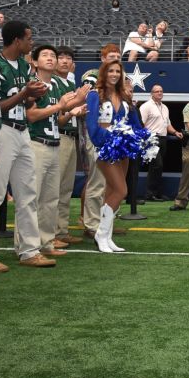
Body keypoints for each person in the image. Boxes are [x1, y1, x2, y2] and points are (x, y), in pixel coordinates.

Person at [0, 20, 53, 273]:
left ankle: (29, 250)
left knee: (28, 193)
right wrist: (24, 94)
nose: (31, 43)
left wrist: (34, 94)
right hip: (2, 131)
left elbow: (26, 97)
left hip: (22, 132)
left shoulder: (22, 65)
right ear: (17, 40)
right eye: (28, 39)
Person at [26, 45, 89, 259]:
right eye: (47, 55)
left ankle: (46, 241)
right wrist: (62, 106)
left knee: (51, 197)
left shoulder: (53, 86)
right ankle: (28, 247)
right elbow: (32, 116)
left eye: (55, 56)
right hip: (37, 141)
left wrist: (71, 110)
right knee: (33, 197)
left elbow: (59, 120)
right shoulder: (33, 85)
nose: (53, 59)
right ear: (33, 62)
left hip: (53, 140)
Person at [84, 60, 132, 253]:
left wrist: (139, 137)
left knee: (111, 192)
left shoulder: (123, 95)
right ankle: (100, 234)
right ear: (104, 73)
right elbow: (92, 125)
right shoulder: (95, 95)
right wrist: (108, 137)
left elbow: (133, 121)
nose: (114, 74)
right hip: (105, 146)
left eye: (117, 71)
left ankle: (107, 236)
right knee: (122, 191)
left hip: (123, 148)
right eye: (110, 71)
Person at [79, 44, 121, 241]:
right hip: (98, 135)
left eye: (118, 57)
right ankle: (92, 224)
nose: (115, 60)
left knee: (111, 184)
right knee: (97, 181)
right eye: (111, 57)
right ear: (103, 58)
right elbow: (89, 107)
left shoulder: (119, 80)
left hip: (117, 139)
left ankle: (106, 223)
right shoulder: (93, 78)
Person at [53, 47, 86, 245]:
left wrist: (77, 110)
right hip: (59, 135)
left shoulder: (70, 82)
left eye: (68, 58)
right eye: (61, 58)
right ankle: (51, 232)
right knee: (55, 188)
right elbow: (58, 114)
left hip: (70, 136)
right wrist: (75, 107)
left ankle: (61, 230)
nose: (64, 61)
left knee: (66, 188)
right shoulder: (54, 82)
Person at [140, 84, 183, 202]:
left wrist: (175, 132)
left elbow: (167, 124)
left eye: (161, 91)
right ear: (151, 94)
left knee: (159, 167)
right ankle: (149, 194)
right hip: (151, 139)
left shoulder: (165, 107)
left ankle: (157, 193)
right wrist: (146, 137)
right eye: (157, 91)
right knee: (156, 165)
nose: (159, 93)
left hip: (163, 139)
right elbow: (141, 124)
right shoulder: (146, 106)